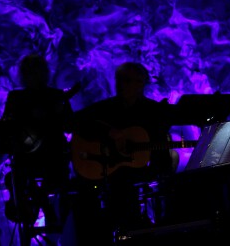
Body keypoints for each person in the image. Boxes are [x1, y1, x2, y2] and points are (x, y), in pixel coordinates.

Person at [68, 62, 175, 245]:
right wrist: (109, 133)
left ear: (141, 83)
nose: (119, 85)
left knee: (125, 185)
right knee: (82, 195)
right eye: (118, 80)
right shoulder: (107, 108)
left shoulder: (154, 110)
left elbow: (160, 155)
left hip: (138, 171)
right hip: (107, 171)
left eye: (125, 80)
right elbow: (76, 121)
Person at [1, 54, 73, 243]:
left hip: (54, 155)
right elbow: (7, 126)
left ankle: (43, 205)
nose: (34, 75)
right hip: (26, 157)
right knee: (18, 173)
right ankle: (44, 206)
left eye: (37, 70)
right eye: (30, 71)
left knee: (57, 165)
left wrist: (58, 114)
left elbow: (69, 126)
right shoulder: (16, 97)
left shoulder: (57, 96)